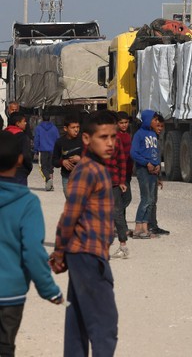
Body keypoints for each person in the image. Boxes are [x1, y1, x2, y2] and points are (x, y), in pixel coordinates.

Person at [49, 111, 119, 356]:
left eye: (113, 136)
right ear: (87, 139)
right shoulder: (88, 170)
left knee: (78, 322)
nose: (110, 142)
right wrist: (59, 252)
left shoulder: (98, 168)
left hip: (86, 255)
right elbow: (70, 215)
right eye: (103, 137)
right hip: (88, 256)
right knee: (104, 324)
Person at [0, 132, 63, 356]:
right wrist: (49, 291)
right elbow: (34, 252)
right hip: (10, 294)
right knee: (5, 346)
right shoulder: (27, 203)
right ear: (19, 160)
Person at [130, 110, 161, 239]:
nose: (157, 122)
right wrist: (146, 163)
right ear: (148, 120)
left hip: (154, 171)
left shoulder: (153, 134)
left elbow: (156, 151)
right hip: (143, 170)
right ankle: (138, 228)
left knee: (151, 199)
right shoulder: (139, 134)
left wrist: (158, 164)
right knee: (146, 198)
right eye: (154, 120)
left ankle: (145, 227)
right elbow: (134, 153)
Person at [104, 114, 129, 259]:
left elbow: (122, 162)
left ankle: (123, 246)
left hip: (113, 182)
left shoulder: (116, 140)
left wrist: (121, 181)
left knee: (117, 214)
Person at [147, 114, 169, 236]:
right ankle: (147, 226)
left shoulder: (157, 137)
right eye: (158, 125)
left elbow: (157, 157)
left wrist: (159, 176)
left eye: (162, 126)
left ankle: (153, 225)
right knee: (148, 200)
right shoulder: (148, 137)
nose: (160, 128)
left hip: (155, 173)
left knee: (153, 200)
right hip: (147, 172)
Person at [53, 116, 83, 193]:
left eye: (77, 127)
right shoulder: (60, 142)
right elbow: (54, 161)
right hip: (67, 177)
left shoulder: (84, 140)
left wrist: (81, 159)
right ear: (65, 128)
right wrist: (62, 162)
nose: (76, 130)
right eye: (73, 127)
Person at [115, 112, 134, 237]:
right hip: (118, 173)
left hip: (127, 172)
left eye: (126, 122)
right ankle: (120, 225)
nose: (124, 125)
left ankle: (120, 223)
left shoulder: (128, 136)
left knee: (124, 199)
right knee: (123, 199)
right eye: (121, 123)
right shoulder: (116, 137)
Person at [4, 113, 33, 186]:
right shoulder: (23, 137)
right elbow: (26, 156)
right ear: (18, 123)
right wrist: (28, 169)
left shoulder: (3, 135)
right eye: (24, 121)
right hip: (19, 172)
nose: (25, 123)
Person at [34, 115, 60, 191]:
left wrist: (36, 150)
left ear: (42, 119)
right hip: (53, 150)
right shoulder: (54, 128)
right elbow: (58, 139)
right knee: (50, 168)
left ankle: (48, 180)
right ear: (49, 119)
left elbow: (36, 139)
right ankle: (50, 186)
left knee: (43, 167)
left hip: (43, 150)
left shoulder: (38, 128)